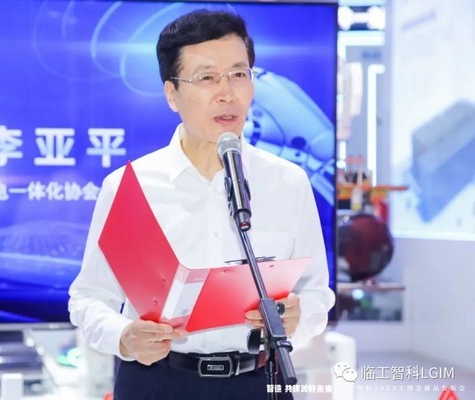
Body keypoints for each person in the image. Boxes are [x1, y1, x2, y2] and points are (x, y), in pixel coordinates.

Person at [69, 9, 335, 399]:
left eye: (239, 74)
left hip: (258, 381)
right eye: (207, 78)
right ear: (171, 94)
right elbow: (88, 297)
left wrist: (298, 317)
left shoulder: (287, 182)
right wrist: (124, 337)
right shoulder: (130, 186)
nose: (227, 93)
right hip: (157, 382)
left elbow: (317, 294)